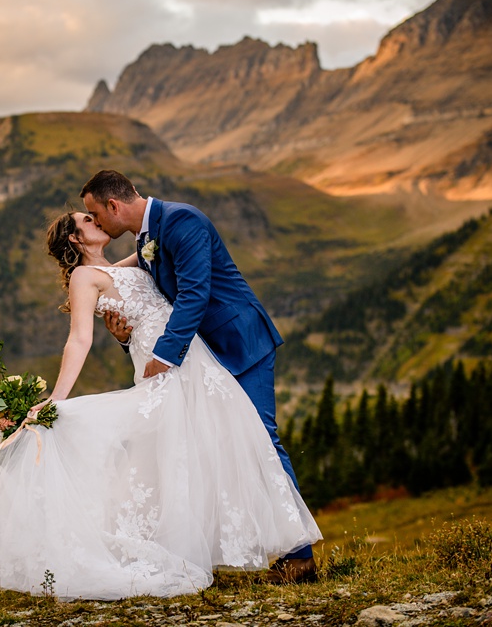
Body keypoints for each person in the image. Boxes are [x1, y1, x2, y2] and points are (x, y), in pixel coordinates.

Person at [0, 211, 321, 601]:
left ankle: (289, 552)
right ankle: (246, 552)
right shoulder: (84, 278)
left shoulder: (128, 261)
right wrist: (57, 398)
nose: (95, 218)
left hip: (195, 362)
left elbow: (162, 261)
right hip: (161, 369)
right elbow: (79, 339)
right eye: (86, 219)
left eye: (94, 212)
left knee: (227, 444)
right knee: (178, 453)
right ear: (75, 240)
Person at [81, 169, 317, 582]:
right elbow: (140, 293)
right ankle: (233, 547)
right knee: (214, 448)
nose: (96, 223)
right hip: (202, 357)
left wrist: (165, 356)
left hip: (239, 343)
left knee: (260, 438)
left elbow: (194, 293)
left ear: (113, 206)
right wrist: (96, 295)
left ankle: (299, 557)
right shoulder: (144, 237)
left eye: (95, 214)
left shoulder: (181, 220)